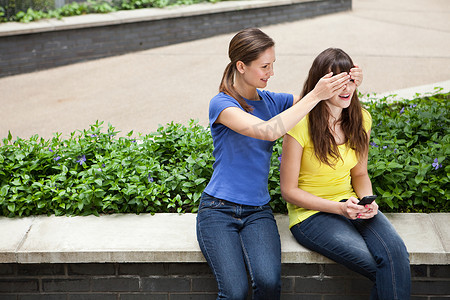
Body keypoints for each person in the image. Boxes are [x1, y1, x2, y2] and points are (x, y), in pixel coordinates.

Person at [196, 28, 362, 300]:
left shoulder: (273, 101)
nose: (270, 72)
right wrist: (314, 95)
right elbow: (268, 131)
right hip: (218, 210)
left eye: (272, 65)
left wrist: (351, 83)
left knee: (269, 283)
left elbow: (322, 104)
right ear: (241, 66)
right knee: (235, 292)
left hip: (258, 211)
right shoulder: (222, 105)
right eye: (264, 66)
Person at [280, 48, 411, 299]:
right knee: (380, 267)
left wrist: (368, 202)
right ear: (321, 85)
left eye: (349, 80)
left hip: (351, 204)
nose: (346, 88)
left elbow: (360, 174)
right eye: (337, 81)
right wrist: (340, 209)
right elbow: (289, 191)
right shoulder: (299, 124)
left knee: (396, 255)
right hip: (311, 215)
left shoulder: (361, 118)